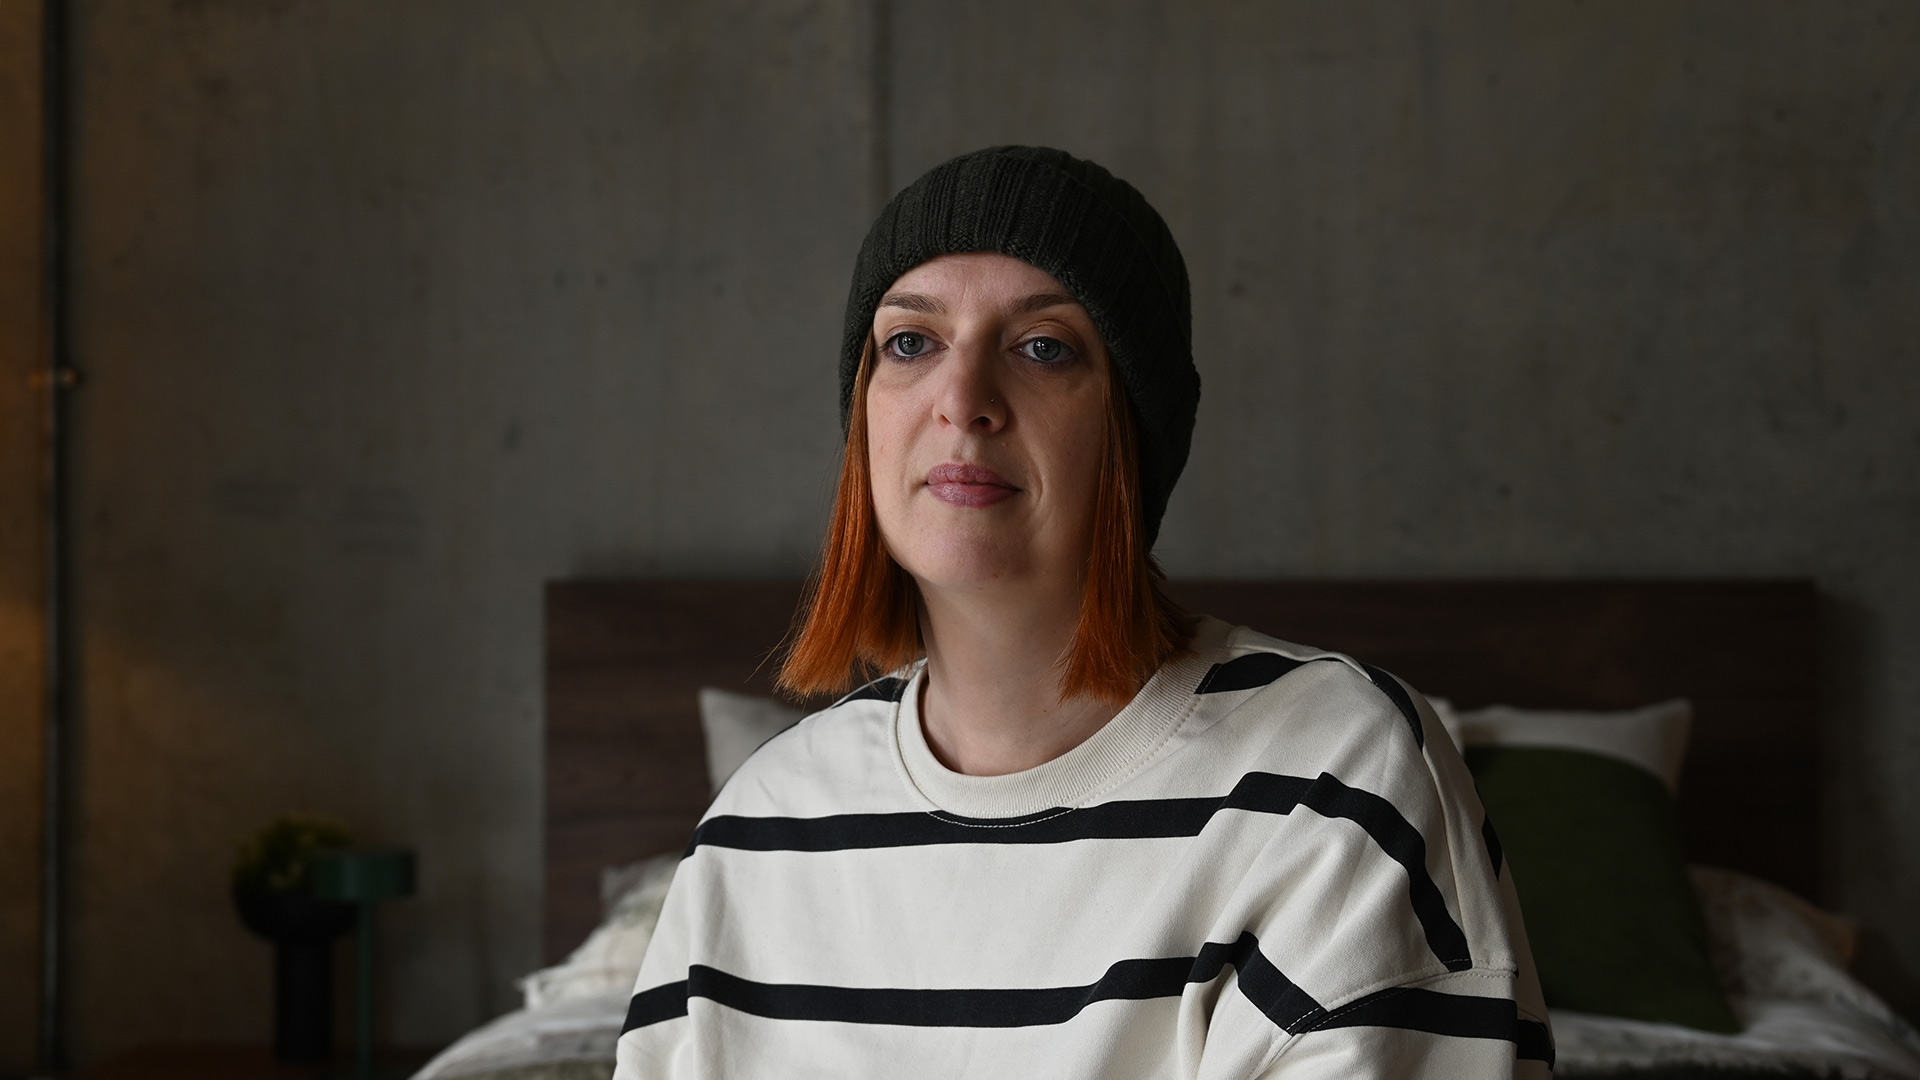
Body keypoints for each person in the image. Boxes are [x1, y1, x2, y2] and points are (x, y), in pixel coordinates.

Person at [613, 146, 1551, 1078]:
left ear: (1132, 431)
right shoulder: (758, 826)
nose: (962, 401)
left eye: (1043, 347)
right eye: (910, 342)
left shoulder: (1333, 778)